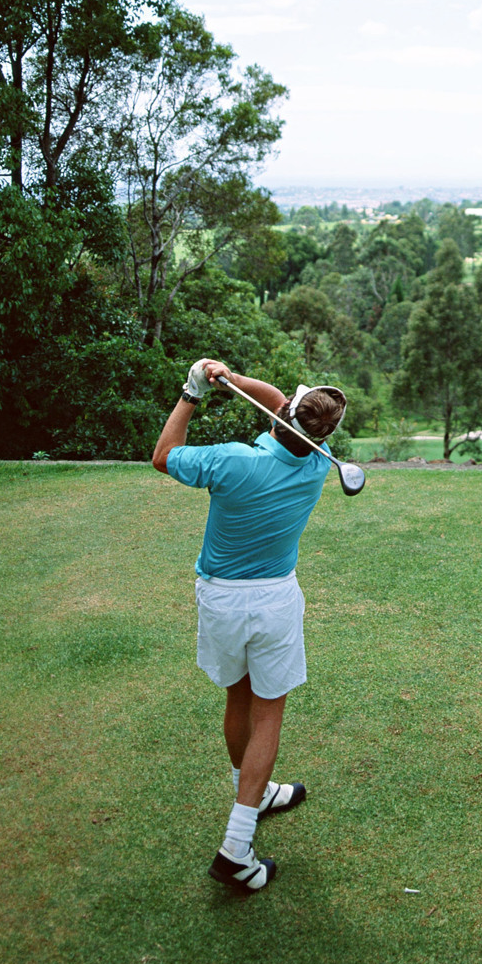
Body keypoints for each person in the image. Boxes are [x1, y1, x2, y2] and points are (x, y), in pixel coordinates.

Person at [151, 358, 347, 892]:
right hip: (275, 602)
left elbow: (163, 456)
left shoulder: (233, 461)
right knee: (268, 713)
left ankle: (241, 830)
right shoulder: (317, 465)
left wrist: (193, 392)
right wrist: (229, 378)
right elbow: (280, 399)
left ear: (281, 416)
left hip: (219, 598)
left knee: (241, 702)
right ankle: (246, 818)